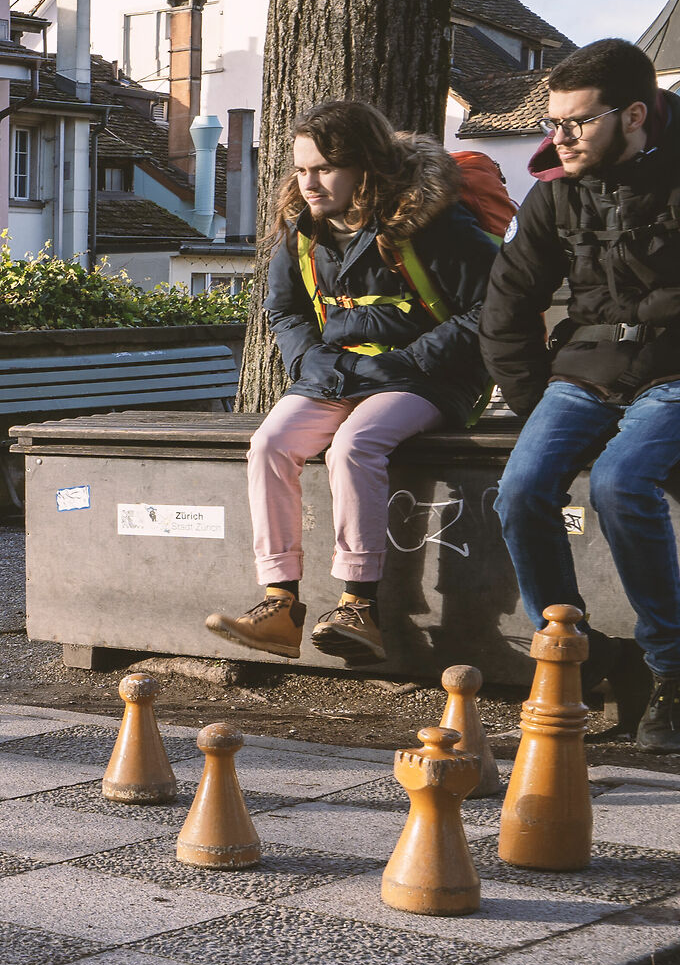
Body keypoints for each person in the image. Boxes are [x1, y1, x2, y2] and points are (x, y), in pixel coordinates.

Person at [207, 100, 497, 665]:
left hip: (429, 379)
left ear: (365, 167)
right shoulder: (302, 232)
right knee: (268, 444)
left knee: (356, 445)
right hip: (336, 373)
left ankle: (360, 605)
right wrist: (309, 362)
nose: (308, 183)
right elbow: (285, 311)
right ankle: (280, 605)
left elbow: (488, 308)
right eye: (300, 169)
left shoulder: (434, 223)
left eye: (324, 169)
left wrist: (409, 360)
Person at [487, 38, 680, 751]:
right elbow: (507, 303)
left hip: (677, 373)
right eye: (553, 122)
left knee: (619, 482)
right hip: (583, 374)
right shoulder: (554, 193)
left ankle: (674, 671)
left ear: (634, 115)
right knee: (519, 490)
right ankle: (580, 653)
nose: (558, 138)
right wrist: (533, 396)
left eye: (576, 122)